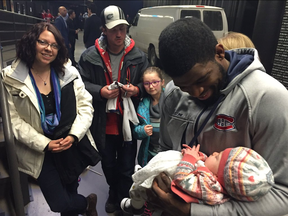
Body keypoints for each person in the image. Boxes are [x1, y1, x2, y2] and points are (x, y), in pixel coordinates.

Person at [145, 17, 288, 216]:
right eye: (185, 87)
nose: (196, 92)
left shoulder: (267, 98)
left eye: (202, 79)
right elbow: (167, 150)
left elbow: (282, 194)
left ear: (219, 53)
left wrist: (193, 211)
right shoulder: (172, 93)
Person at [1, 22, 99, 216]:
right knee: (59, 203)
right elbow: (13, 122)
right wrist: (45, 144)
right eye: (43, 42)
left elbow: (86, 106)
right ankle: (86, 205)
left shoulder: (68, 72)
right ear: (31, 43)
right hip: (41, 150)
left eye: (54, 45)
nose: (49, 49)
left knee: (71, 191)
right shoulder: (12, 78)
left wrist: (73, 135)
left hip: (69, 144)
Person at [79, 5, 149, 215]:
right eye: (113, 29)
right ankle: (113, 190)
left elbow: (149, 85)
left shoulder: (139, 56)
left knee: (127, 165)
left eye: (122, 28)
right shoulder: (89, 56)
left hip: (128, 123)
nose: (118, 33)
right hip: (102, 123)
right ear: (104, 30)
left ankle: (123, 196)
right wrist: (100, 91)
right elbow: (80, 85)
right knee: (108, 164)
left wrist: (136, 89)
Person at [121, 145, 274, 215]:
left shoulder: (211, 189)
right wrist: (200, 158)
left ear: (220, 177)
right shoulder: (215, 182)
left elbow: (182, 178)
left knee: (138, 190)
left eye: (218, 155)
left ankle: (136, 206)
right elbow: (207, 168)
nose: (213, 152)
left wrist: (189, 158)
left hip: (164, 198)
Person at [133, 66, 165, 167]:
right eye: (147, 84)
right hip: (149, 154)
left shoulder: (171, 101)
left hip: (167, 154)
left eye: (155, 82)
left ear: (162, 82)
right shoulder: (143, 105)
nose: (151, 86)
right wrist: (142, 130)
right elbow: (135, 131)